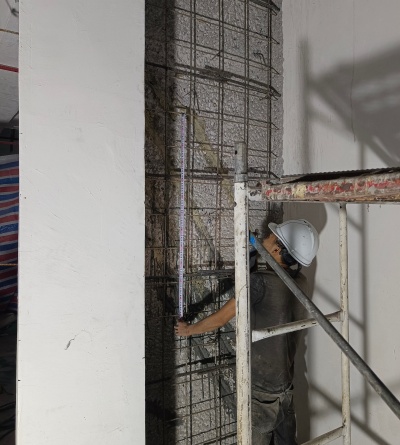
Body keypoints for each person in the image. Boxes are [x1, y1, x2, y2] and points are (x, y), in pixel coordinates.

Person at [175, 219, 319, 445]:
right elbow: (271, 296)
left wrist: (189, 329)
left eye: (269, 236)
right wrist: (253, 253)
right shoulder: (301, 282)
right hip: (285, 389)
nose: (264, 237)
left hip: (261, 395)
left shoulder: (259, 283)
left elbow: (221, 318)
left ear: (276, 250)